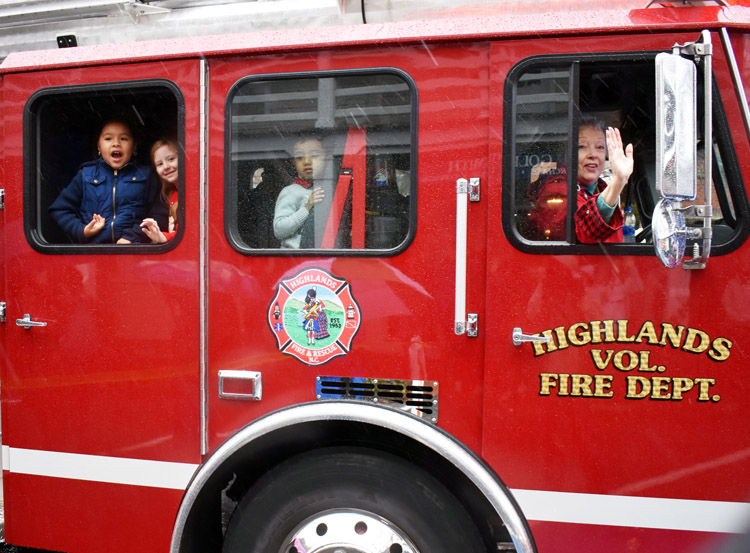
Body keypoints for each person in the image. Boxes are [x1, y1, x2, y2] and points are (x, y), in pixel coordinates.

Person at [49, 118, 166, 244]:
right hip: (94, 251)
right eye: (108, 138)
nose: (116, 143)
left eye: (124, 138)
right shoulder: (86, 174)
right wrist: (82, 230)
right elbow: (60, 209)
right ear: (99, 146)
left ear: (134, 147)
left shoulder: (147, 175)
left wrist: (133, 236)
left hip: (135, 249)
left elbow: (161, 215)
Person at [574, 115, 634, 243]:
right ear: (567, 153)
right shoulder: (555, 191)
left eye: (600, 147)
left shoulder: (600, 189)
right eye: (582, 146)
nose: (593, 155)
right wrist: (618, 181)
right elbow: (586, 230)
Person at [273, 137, 326, 249]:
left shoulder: (328, 189)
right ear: (294, 162)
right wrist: (307, 208)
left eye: (314, 155)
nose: (307, 162)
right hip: (294, 256)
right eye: (300, 157)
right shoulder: (290, 192)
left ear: (327, 159)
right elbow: (279, 230)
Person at [140, 139, 179, 243]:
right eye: (159, 164)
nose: (166, 167)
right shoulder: (170, 194)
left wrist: (164, 237)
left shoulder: (191, 195)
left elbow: (188, 233)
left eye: (171, 159)